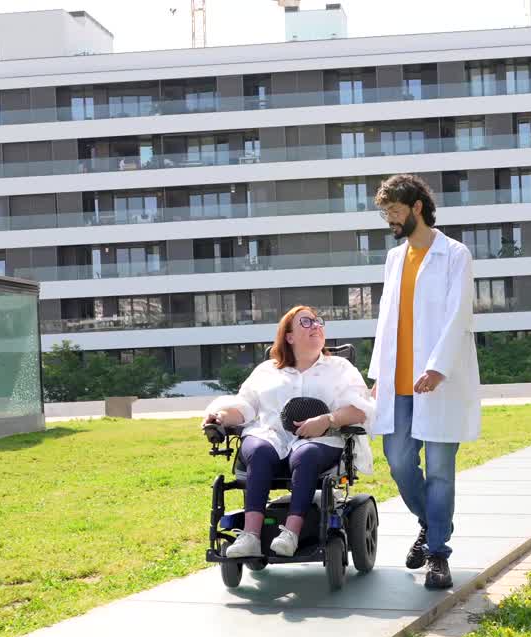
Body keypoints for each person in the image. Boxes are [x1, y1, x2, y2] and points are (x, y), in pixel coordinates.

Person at [369, 174, 481, 590]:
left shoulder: (455, 254)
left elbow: (458, 314)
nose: (391, 220)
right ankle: (432, 522)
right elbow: (386, 321)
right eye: (386, 213)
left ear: (417, 207)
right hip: (398, 382)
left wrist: (438, 367)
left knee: (440, 472)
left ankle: (437, 554)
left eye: (395, 211)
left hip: (439, 382)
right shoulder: (394, 258)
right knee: (399, 461)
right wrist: (378, 375)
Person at [203, 306, 375, 559]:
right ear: (289, 336)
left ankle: (291, 534)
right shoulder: (266, 371)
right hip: (269, 436)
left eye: (318, 321)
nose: (316, 326)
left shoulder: (340, 368)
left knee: (306, 454)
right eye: (306, 322)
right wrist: (221, 416)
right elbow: (245, 406)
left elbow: (360, 410)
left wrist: (328, 419)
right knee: (258, 450)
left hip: (322, 438)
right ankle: (250, 536)